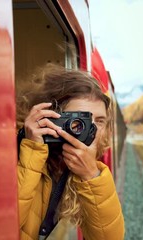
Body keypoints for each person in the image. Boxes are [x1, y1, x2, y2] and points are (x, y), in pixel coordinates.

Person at [16, 64, 125, 240]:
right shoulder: (15, 152)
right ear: (50, 117)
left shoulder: (93, 170)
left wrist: (91, 176)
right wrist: (33, 151)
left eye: (100, 121)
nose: (91, 130)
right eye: (79, 121)